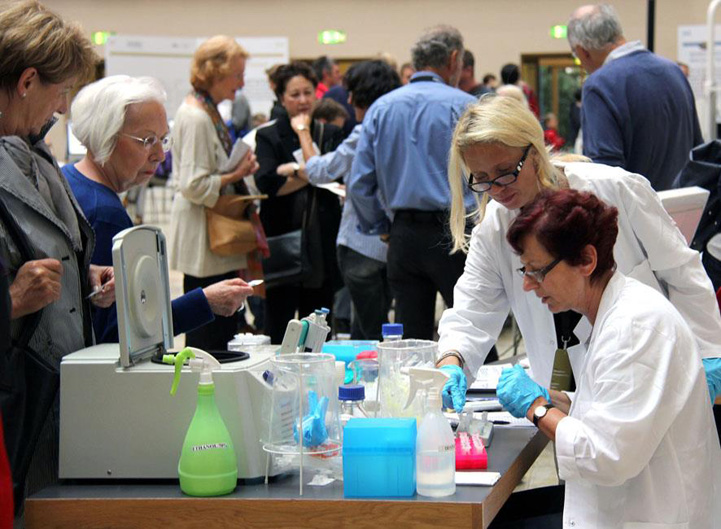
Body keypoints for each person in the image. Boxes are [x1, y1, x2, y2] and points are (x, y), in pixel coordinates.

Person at [435, 95, 721, 413]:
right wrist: (452, 361)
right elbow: (472, 312)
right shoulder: (494, 230)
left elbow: (681, 270)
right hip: (567, 389)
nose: (497, 189)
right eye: (482, 179)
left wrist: (710, 351)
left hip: (649, 374)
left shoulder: (616, 190)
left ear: (534, 152)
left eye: (505, 171)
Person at [497, 188, 721, 528]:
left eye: (538, 271)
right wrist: (555, 399)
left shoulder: (634, 327)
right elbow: (610, 410)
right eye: (524, 271)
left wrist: (537, 409)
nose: (529, 285)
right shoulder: (612, 311)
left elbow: (608, 455)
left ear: (587, 260)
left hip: (652, 514)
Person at [0, 0, 112, 514]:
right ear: (26, 82)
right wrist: (12, 301)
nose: (63, 108)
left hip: (53, 392)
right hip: (15, 398)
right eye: (60, 92)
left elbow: (46, 246)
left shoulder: (35, 150)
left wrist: (81, 276)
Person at [64, 75, 254, 343]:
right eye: (147, 141)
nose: (159, 155)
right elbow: (123, 335)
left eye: (163, 140)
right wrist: (205, 302)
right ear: (106, 136)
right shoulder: (105, 215)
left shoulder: (69, 179)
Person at [348, 25, 477, 341]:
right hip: (457, 232)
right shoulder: (465, 106)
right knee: (474, 333)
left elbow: (359, 185)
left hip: (403, 234)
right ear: (454, 58)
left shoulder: (381, 108)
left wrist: (382, 226)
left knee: (410, 344)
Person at [276, 60, 401, 340]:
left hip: (362, 243)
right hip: (394, 242)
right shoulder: (401, 130)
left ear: (358, 96)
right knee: (377, 326)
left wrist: (302, 134)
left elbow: (322, 171)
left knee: (370, 332)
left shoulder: (366, 130)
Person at [168, 35, 260, 351]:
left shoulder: (208, 109)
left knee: (221, 327)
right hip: (204, 237)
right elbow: (192, 185)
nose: (242, 82)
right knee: (208, 334)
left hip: (213, 238)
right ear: (216, 72)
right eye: (237, 74)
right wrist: (235, 174)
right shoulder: (195, 116)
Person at [253, 61, 344, 343]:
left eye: (308, 92)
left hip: (322, 239)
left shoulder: (328, 133)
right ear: (282, 98)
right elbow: (267, 183)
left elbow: (335, 176)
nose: (303, 100)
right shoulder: (268, 135)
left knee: (318, 331)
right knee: (278, 325)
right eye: (295, 95)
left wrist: (290, 170)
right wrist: (311, 173)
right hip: (283, 238)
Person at [567, 3, 702, 191]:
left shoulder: (599, 85)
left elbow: (605, 175)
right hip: (681, 210)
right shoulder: (674, 72)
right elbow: (697, 149)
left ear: (583, 51)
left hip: (635, 215)